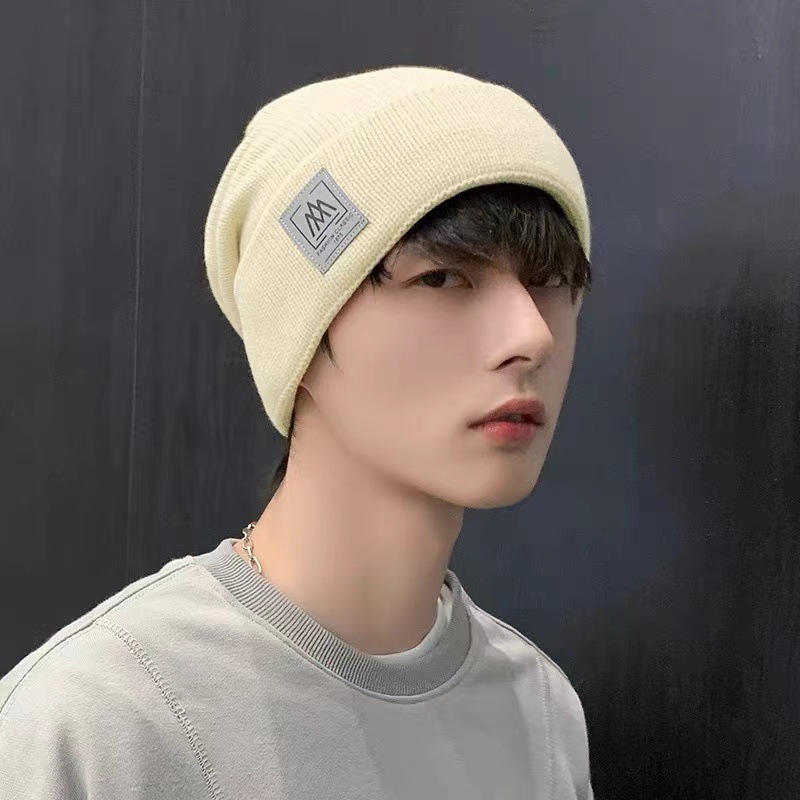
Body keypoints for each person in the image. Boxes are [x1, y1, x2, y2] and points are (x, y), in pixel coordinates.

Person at [0, 64, 595, 798]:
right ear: (299, 336)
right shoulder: (100, 723)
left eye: (551, 280)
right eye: (442, 277)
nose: (531, 335)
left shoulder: (538, 711)